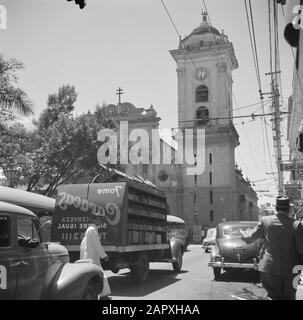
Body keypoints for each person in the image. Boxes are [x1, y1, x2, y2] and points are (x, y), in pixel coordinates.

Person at [242, 196, 303, 300]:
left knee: (272, 296)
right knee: (290, 296)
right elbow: (301, 249)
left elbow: (249, 238)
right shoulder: (296, 225)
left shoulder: (265, 221)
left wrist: (243, 234)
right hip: (292, 272)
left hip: (269, 269)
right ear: (289, 209)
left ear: (276, 209)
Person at [80, 216, 112, 300]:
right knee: (101, 274)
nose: (100, 221)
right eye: (98, 219)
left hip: (90, 257)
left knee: (98, 275)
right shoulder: (93, 230)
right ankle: (104, 296)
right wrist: (104, 255)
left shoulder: (90, 229)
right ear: (94, 220)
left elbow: (84, 244)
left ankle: (102, 295)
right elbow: (97, 244)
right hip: (92, 258)